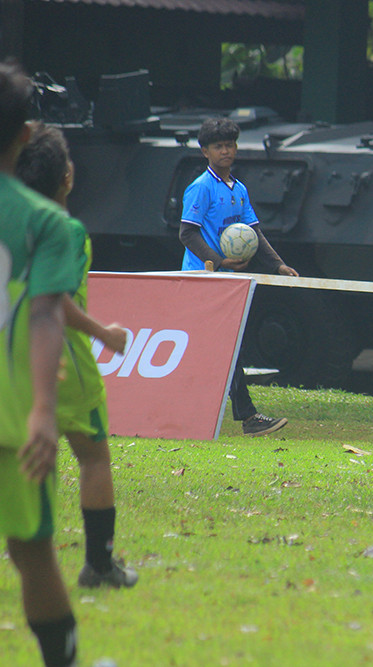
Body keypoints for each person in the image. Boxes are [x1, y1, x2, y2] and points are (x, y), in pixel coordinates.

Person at [16, 123, 138, 588]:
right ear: (66, 175)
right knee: (93, 458)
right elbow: (55, 300)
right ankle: (99, 565)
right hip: (63, 362)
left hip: (15, 359)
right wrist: (104, 333)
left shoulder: (13, 220)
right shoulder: (64, 229)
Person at [0, 61, 87, 667]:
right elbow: (46, 315)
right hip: (13, 423)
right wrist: (43, 410)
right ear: (26, 133)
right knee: (32, 552)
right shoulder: (47, 222)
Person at [179, 117, 297, 436]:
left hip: (226, 280)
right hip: (201, 279)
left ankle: (211, 413)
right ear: (205, 151)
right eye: (218, 146)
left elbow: (253, 232)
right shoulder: (200, 188)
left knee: (223, 348)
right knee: (226, 348)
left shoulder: (239, 188)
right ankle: (246, 416)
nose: (226, 151)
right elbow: (187, 234)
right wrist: (218, 261)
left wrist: (278, 265)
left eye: (230, 145)